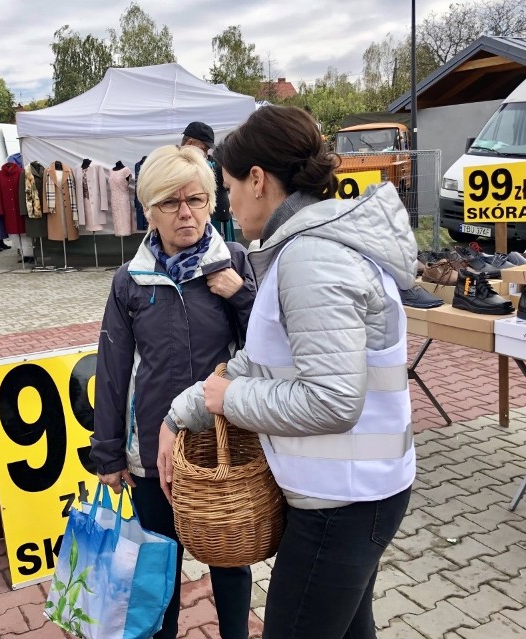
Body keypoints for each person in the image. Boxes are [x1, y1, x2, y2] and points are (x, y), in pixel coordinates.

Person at [158, 106, 417, 639]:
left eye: (227, 188)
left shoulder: (310, 259)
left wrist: (228, 400)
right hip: (353, 493)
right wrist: (183, 412)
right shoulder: (308, 249)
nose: (227, 204)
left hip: (342, 502)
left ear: (258, 181)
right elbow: (264, 358)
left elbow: (331, 401)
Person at [91, 144, 256, 639]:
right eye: (171, 202)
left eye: (197, 200)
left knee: (230, 561)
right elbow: (114, 369)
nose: (186, 213)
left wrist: (241, 296)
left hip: (219, 447)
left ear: (211, 202)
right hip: (150, 458)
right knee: (158, 569)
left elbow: (265, 351)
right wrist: (108, 455)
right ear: (149, 210)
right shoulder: (130, 282)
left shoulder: (235, 263)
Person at [181, 121, 235, 241]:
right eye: (203, 149)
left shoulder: (210, 163)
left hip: (217, 216)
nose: (205, 154)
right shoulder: (177, 167)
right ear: (189, 143)